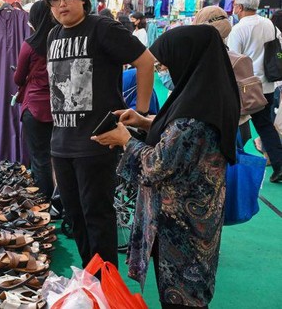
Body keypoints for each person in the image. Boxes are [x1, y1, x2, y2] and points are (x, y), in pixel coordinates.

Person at [93, 25, 240, 309]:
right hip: (192, 222)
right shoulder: (206, 96)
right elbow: (178, 133)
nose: (165, 72)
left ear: (187, 60)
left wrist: (125, 140)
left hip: (182, 228)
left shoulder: (194, 117)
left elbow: (155, 165)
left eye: (168, 65)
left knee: (182, 299)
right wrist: (144, 120)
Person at [44, 0, 155, 267]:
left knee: (98, 218)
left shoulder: (102, 28)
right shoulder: (53, 35)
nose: (62, 4)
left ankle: (107, 287)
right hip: (62, 143)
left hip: (97, 141)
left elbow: (145, 61)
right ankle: (91, 281)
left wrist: (140, 112)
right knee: (74, 218)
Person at [228, 0, 282, 183]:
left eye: (234, 5)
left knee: (234, 124)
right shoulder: (269, 24)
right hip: (267, 85)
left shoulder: (238, 29)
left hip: (244, 88)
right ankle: (279, 164)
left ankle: (232, 165)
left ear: (240, 7)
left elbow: (233, 60)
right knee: (265, 126)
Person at [13, 1, 54, 200]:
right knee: (60, 159)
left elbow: (18, 78)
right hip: (61, 108)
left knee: (40, 159)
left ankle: (44, 203)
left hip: (36, 107)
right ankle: (60, 202)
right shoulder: (60, 40)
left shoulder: (30, 45)